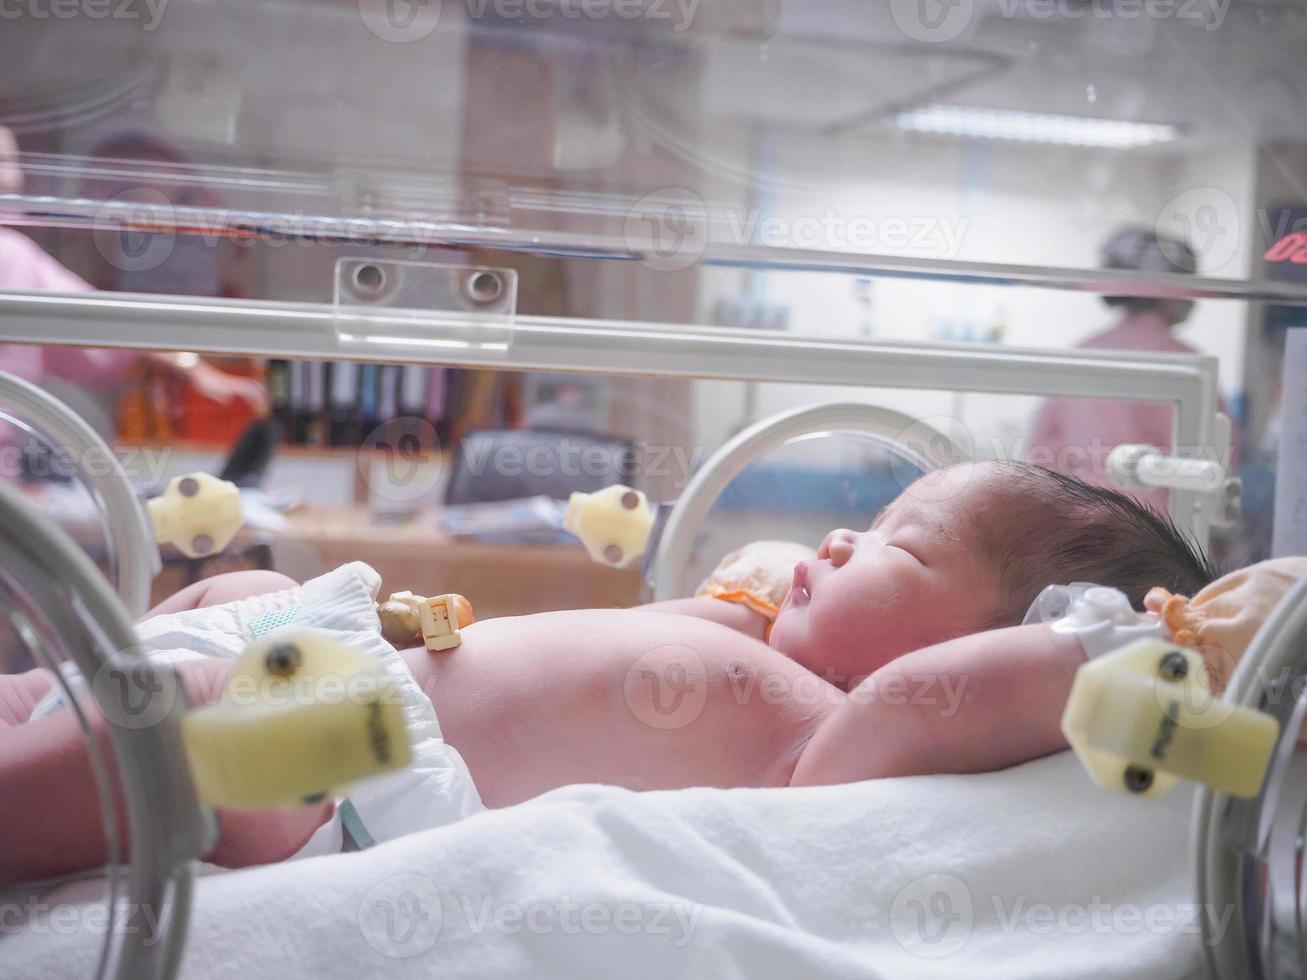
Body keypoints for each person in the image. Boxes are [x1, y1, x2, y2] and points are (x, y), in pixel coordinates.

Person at [0, 461, 1216, 884]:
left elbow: (954, 692)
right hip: (325, 645)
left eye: (901, 542)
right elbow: (779, 566)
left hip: (348, 754)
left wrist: (1123, 646)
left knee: (160, 733)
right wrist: (799, 581)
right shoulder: (757, 631)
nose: (842, 538)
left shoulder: (838, 733)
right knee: (228, 599)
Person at [0, 124, 268, 433]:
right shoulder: (12, 253)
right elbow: (101, 322)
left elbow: (100, 324)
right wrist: (190, 365)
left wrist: (189, 365)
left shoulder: (17, 254)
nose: (14, 179)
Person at [1029, 226, 1238, 508]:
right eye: (1188, 284)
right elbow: (1220, 458)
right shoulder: (1187, 361)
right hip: (1161, 527)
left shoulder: (1084, 352)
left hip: (1083, 520)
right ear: (1167, 290)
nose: (1193, 298)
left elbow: (1044, 449)